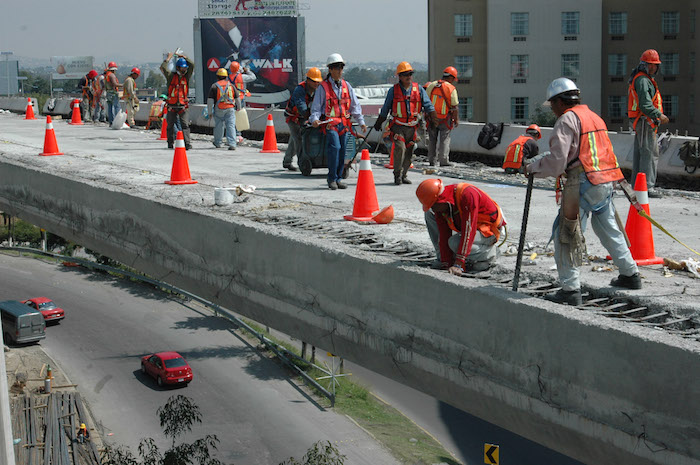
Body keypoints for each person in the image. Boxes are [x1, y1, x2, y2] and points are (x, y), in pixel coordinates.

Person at [524, 78, 641, 306]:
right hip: (606, 181)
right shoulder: (594, 116)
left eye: (553, 104)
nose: (553, 110)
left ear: (560, 101)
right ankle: (630, 274)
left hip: (584, 182)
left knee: (566, 234)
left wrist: (532, 167)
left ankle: (570, 290)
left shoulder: (566, 120)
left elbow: (558, 162)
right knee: (608, 229)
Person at [416, 178, 505, 274]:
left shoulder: (467, 195)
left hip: (488, 231)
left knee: (454, 242)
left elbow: (469, 230)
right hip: (470, 229)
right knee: (429, 214)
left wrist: (459, 263)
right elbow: (444, 233)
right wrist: (446, 262)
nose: (433, 209)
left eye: (433, 206)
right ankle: (445, 257)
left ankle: (491, 254)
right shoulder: (442, 205)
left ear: (440, 200)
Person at [309, 53, 367, 190]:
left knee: (343, 152)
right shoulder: (323, 87)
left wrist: (361, 122)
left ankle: (339, 178)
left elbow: (355, 106)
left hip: (344, 125)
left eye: (341, 67)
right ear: (330, 69)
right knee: (335, 148)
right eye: (336, 68)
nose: (339, 71)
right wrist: (315, 119)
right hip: (331, 125)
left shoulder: (347, 86)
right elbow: (316, 107)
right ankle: (332, 178)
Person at [374, 62, 437, 185]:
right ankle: (397, 175)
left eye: (410, 74)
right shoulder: (393, 91)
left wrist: (434, 120)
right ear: (400, 77)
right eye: (405, 74)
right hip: (398, 126)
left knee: (409, 151)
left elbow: (428, 105)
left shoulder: (418, 89)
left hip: (412, 127)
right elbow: (386, 108)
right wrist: (379, 122)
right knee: (399, 148)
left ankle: (404, 175)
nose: (408, 76)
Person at [628, 49, 669, 198]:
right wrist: (659, 115)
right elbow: (645, 104)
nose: (653, 68)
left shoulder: (643, 79)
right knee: (649, 154)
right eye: (650, 65)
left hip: (643, 121)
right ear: (643, 65)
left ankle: (638, 186)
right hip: (645, 120)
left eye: (655, 65)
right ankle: (647, 187)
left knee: (641, 154)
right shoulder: (643, 80)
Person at [283, 67, 322, 171]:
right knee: (299, 140)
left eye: (318, 82)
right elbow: (301, 106)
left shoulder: (318, 90)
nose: (316, 84)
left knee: (294, 140)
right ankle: (302, 163)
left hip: (304, 117)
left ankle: (287, 161)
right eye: (314, 81)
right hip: (293, 117)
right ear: (308, 80)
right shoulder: (299, 90)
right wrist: (309, 118)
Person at [426, 67, 459, 167]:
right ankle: (443, 161)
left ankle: (432, 160)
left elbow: (426, 101)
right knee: (444, 139)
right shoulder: (451, 88)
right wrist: (456, 119)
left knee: (432, 139)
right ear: (451, 77)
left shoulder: (432, 85)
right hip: (445, 119)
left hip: (432, 118)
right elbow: (455, 106)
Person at [161, 53, 194, 149]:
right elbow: (163, 68)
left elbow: (192, 65)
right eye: (183, 68)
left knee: (185, 125)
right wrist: (168, 58)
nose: (185, 70)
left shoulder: (186, 77)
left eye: (185, 68)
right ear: (178, 67)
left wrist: (185, 57)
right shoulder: (171, 77)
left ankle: (187, 143)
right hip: (172, 105)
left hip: (182, 106)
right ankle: (170, 143)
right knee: (170, 125)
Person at [207, 68, 238, 150]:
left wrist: (209, 112)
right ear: (226, 77)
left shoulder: (214, 86)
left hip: (219, 109)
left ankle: (218, 143)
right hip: (230, 108)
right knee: (231, 126)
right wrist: (239, 108)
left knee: (218, 126)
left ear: (217, 77)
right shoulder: (231, 86)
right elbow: (237, 98)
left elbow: (210, 101)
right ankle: (232, 143)